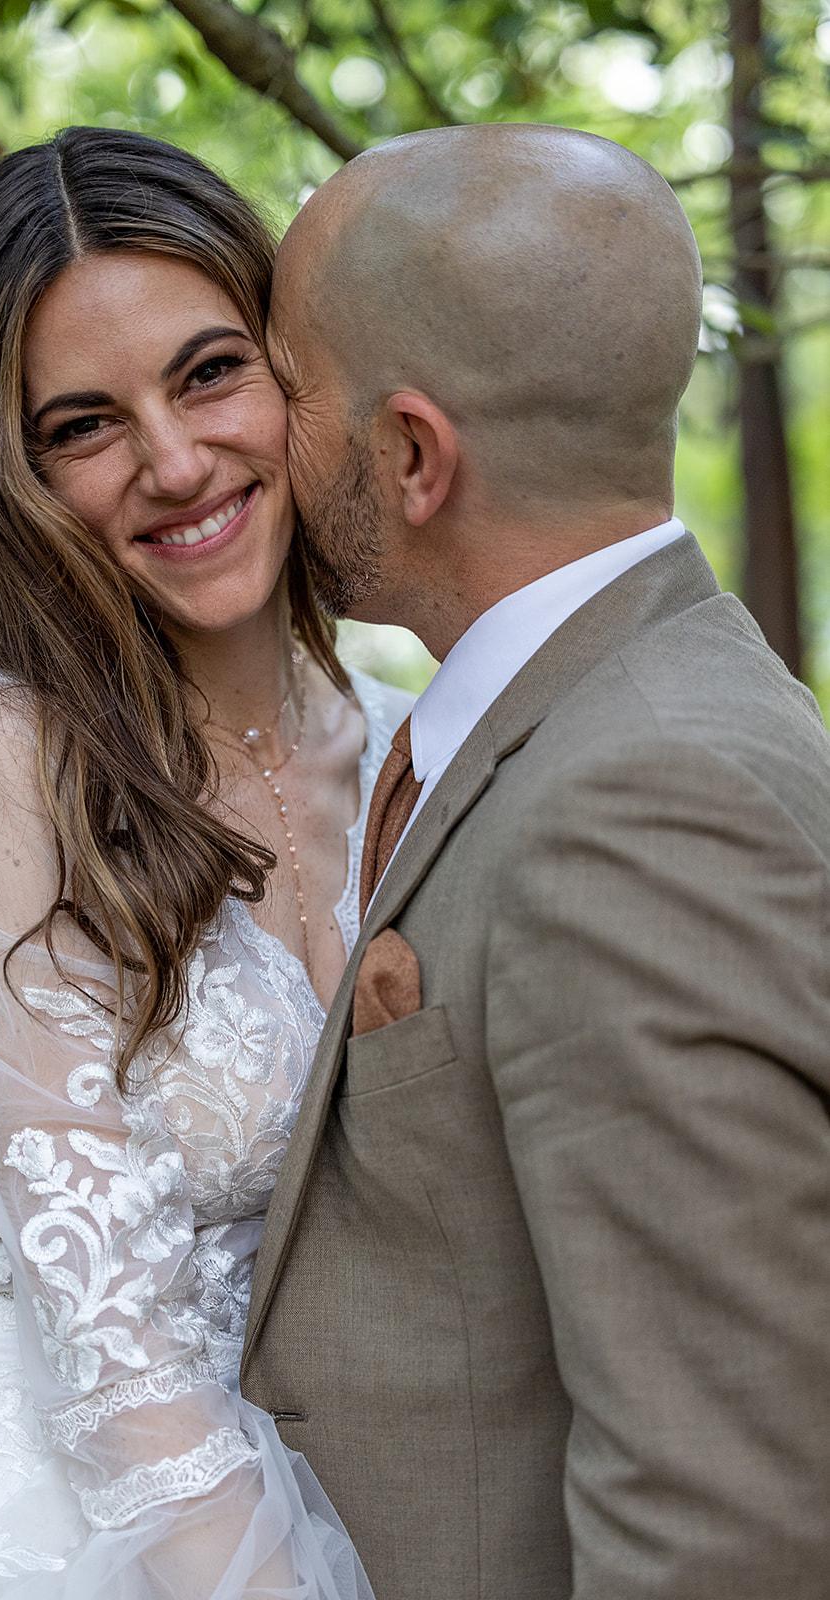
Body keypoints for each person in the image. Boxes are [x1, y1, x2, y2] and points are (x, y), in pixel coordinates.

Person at [0, 125, 410, 1598]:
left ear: (294, 370)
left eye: (209, 373)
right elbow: (119, 1357)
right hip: (76, 1538)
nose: (174, 462)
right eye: (84, 426)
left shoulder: (414, 741)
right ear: (9, 474)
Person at [241, 123, 830, 1599]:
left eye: (285, 384)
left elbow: (721, 1514)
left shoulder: (646, 804)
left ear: (411, 456)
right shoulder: (579, 720)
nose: (254, 438)